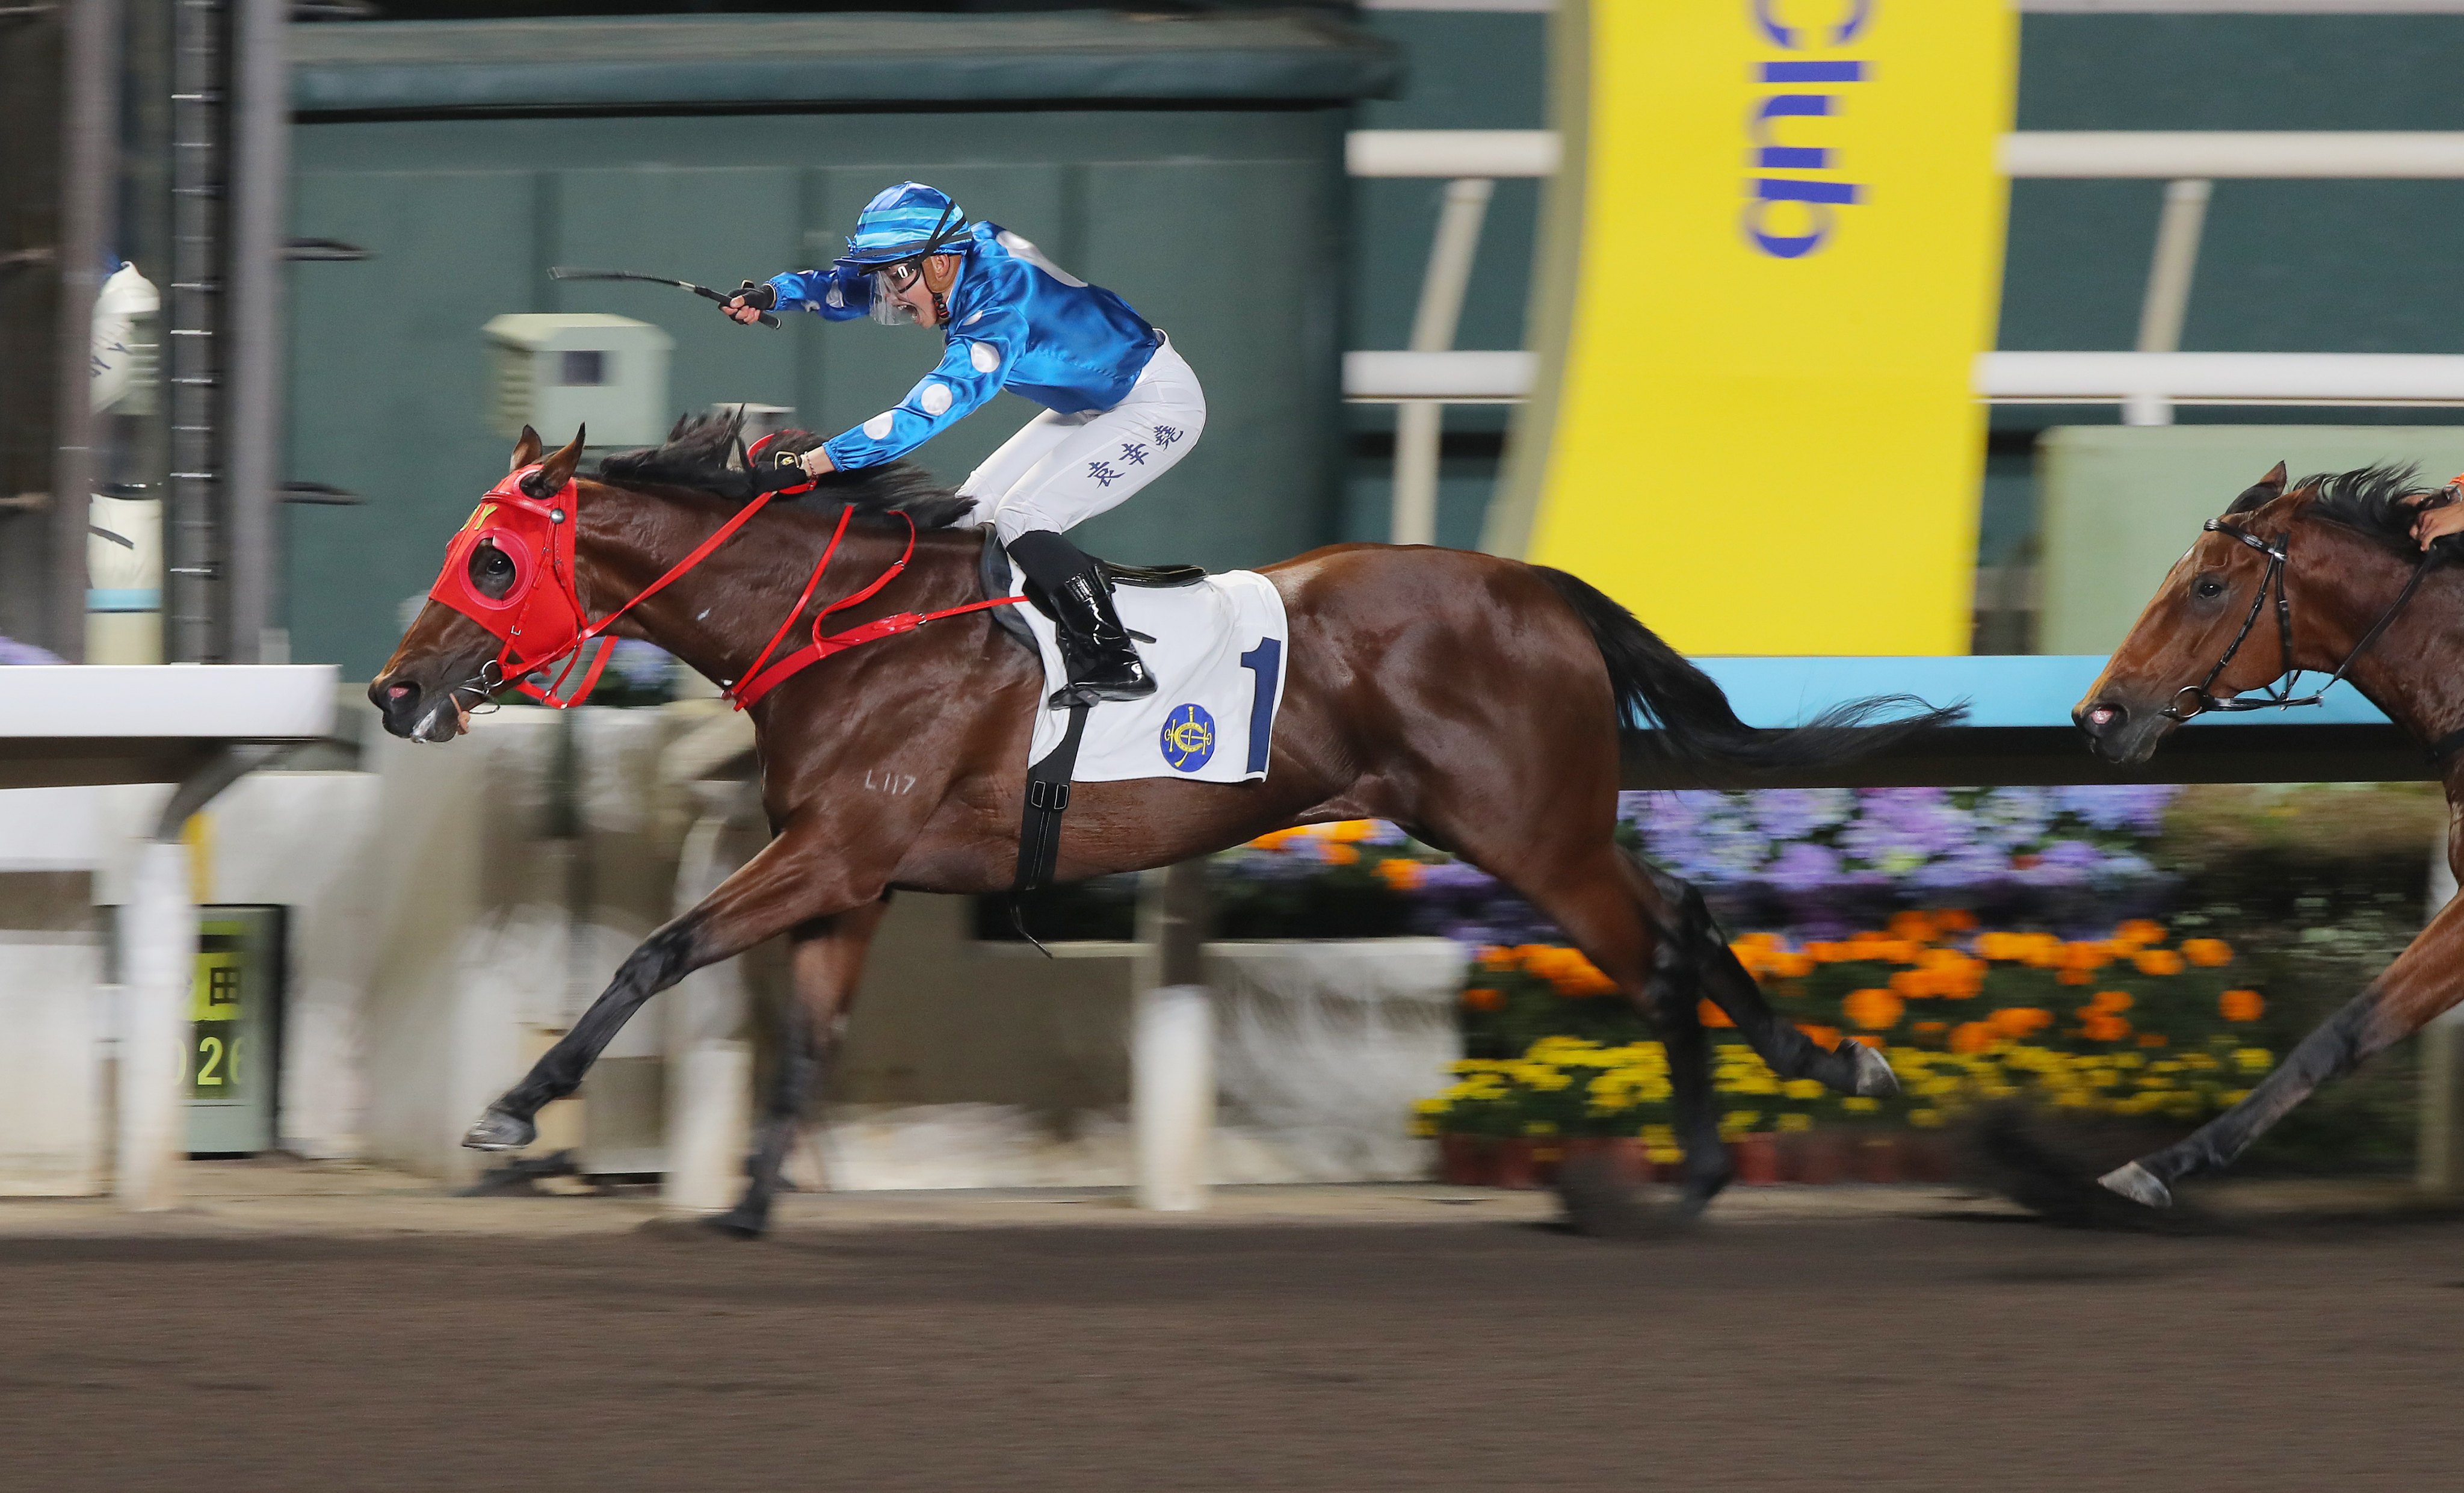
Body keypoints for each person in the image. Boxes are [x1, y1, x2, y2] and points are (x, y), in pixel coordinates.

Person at [724, 181, 1205, 707]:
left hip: (1154, 404)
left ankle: (1115, 659)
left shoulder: (996, 316)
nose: (889, 293)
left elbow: (917, 418)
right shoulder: (960, 252)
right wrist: (776, 294)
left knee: (1025, 515)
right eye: (886, 274)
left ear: (939, 265)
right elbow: (859, 287)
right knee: (969, 513)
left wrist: (814, 465)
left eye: (897, 275)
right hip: (1099, 398)